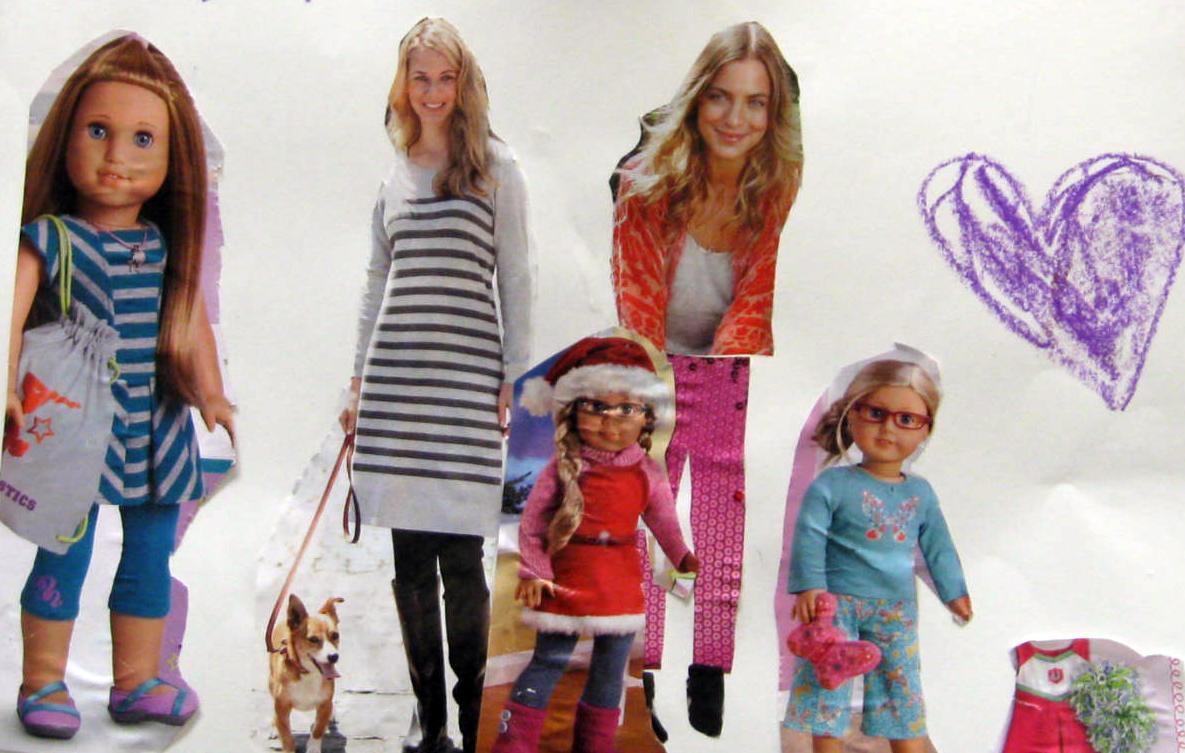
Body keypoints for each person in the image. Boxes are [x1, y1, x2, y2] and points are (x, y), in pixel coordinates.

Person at [6, 34, 232, 738]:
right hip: (75, 425)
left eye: (143, 139)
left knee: (149, 553)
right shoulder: (49, 238)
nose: (117, 157)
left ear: (172, 157)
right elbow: (11, 310)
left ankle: (136, 679)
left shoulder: (161, 245)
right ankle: (44, 679)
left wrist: (212, 393)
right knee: (65, 546)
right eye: (98, 131)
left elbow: (190, 322)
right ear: (64, 138)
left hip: (155, 422)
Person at [339, 17, 533, 753]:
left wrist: (515, 374)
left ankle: (472, 716)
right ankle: (431, 726)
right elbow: (375, 281)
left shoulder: (496, 166)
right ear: (403, 84)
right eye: (419, 77)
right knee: (411, 562)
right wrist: (358, 381)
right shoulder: (393, 174)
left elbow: (517, 275)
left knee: (462, 560)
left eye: (445, 78)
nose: (432, 92)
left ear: (463, 83)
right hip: (397, 388)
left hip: (465, 386)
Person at [609, 21, 803, 736]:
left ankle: (709, 667)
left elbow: (755, 296)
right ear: (695, 99)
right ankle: (644, 669)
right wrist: (654, 393)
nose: (735, 118)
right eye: (720, 97)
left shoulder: (773, 184)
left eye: (755, 102)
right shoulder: (645, 182)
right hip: (653, 363)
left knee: (721, 510)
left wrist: (722, 368)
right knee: (648, 514)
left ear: (773, 113)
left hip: (726, 367)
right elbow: (636, 301)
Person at [489, 336, 699, 753]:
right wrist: (535, 572)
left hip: (618, 583)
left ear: (646, 417)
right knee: (549, 659)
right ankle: (515, 743)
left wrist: (682, 555)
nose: (610, 422)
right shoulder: (562, 468)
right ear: (573, 411)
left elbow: (663, 520)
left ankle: (595, 744)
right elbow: (532, 526)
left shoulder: (646, 472)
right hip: (564, 579)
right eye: (596, 407)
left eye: (626, 409)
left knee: (610, 669)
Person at [784, 359, 972, 752]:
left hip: (896, 608)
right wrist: (809, 586)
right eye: (875, 413)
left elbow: (939, 546)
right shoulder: (832, 484)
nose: (888, 429)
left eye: (906, 419)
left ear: (926, 429)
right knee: (827, 682)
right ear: (852, 413)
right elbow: (809, 535)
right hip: (835, 604)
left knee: (901, 684)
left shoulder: (920, 493)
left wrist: (954, 592)